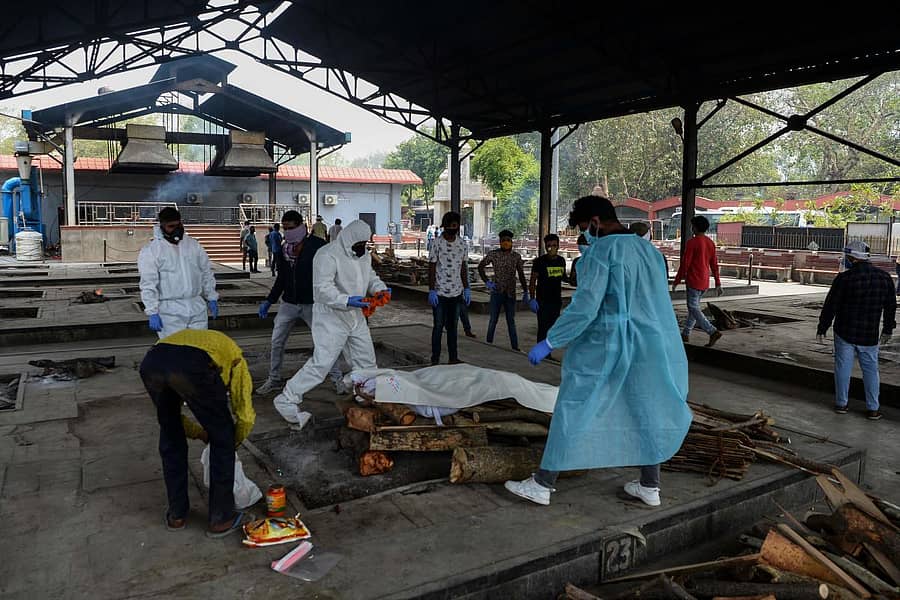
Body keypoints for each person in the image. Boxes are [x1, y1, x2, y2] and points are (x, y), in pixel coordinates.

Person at [506, 195, 691, 507]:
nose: (586, 236)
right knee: (647, 406)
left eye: (585, 228)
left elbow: (585, 308)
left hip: (607, 343)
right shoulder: (650, 252)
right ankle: (650, 485)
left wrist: (551, 340)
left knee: (574, 405)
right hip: (651, 343)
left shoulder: (601, 253)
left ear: (594, 222)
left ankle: (542, 483)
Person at [273, 220, 390, 427]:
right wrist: (346, 300)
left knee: (366, 359)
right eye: (359, 244)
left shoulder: (362, 254)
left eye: (365, 243)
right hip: (330, 317)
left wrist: (379, 289)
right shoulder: (327, 254)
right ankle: (287, 398)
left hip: (355, 315)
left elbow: (370, 276)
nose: (362, 248)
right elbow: (322, 289)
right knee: (322, 363)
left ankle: (364, 395)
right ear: (348, 239)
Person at [139, 329, 255, 537]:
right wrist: (231, 441)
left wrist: (200, 433)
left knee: (170, 433)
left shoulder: (208, 342)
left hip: (152, 363)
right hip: (193, 366)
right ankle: (222, 519)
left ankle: (177, 515)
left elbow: (174, 420)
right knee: (223, 435)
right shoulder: (236, 357)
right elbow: (245, 414)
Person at [256, 211, 348, 395]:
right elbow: (282, 278)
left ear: (302, 226)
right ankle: (274, 379)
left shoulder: (319, 246)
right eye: (285, 228)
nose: (287, 232)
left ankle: (337, 379)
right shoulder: (284, 249)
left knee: (325, 342)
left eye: (291, 228)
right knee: (277, 341)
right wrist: (269, 300)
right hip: (289, 303)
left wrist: (338, 299)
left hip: (313, 304)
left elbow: (334, 274)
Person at [816, 241, 895, 420]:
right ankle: (873, 408)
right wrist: (888, 329)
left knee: (843, 368)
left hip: (845, 331)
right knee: (871, 370)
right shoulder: (884, 278)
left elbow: (831, 305)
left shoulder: (845, 278)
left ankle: (842, 404)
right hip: (870, 334)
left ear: (852, 258)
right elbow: (890, 307)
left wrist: (823, 326)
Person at [139, 207, 218, 339]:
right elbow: (148, 283)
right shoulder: (152, 251)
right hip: (170, 312)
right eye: (171, 226)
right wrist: (152, 311)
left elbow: (206, 272)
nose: (176, 229)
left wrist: (212, 296)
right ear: (162, 226)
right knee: (174, 354)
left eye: (178, 225)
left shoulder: (193, 245)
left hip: (196, 307)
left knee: (198, 349)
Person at [672, 215, 723, 347]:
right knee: (694, 309)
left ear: (694, 227)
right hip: (704, 281)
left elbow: (685, 263)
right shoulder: (710, 243)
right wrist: (717, 282)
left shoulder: (692, 242)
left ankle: (712, 331)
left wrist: (677, 279)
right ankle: (686, 333)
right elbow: (714, 265)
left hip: (694, 280)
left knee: (693, 307)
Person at [428, 211, 471, 365]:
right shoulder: (437, 243)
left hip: (456, 293)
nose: (454, 228)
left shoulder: (462, 244)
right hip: (439, 293)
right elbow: (432, 266)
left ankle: (453, 357)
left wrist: (466, 288)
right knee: (438, 326)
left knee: (452, 328)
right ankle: (435, 359)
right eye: (451, 226)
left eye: (456, 226)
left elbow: (463, 268)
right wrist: (431, 289)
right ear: (445, 226)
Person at [478, 230, 529, 351]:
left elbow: (521, 274)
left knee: (511, 321)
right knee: (493, 319)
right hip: (497, 291)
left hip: (510, 293)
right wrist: (487, 282)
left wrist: (526, 291)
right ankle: (488, 343)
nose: (506, 243)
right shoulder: (494, 254)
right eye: (503, 240)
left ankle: (515, 347)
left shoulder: (516, 256)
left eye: (508, 240)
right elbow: (481, 267)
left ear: (512, 242)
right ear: (500, 242)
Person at [529, 233, 568, 343]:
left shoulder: (561, 261)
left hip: (556, 300)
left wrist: (574, 279)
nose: (551, 248)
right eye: (549, 246)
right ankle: (541, 352)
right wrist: (532, 298)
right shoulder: (539, 262)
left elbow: (564, 277)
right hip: (542, 301)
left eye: (554, 245)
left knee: (552, 329)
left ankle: (547, 353)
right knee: (543, 329)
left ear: (558, 246)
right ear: (545, 247)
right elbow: (532, 281)